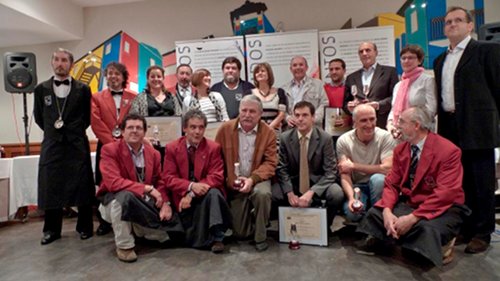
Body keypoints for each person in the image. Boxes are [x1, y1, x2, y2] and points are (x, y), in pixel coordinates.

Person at [356, 107, 470, 266]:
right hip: (412, 202)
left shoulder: (448, 151)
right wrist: (388, 211)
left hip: (443, 206)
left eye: (402, 121)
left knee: (427, 229)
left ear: (416, 125)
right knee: (376, 213)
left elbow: (445, 194)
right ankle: (410, 241)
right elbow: (391, 184)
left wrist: (412, 218)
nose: (397, 125)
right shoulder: (401, 149)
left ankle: (431, 244)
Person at [433, 6, 500, 254]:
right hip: (450, 127)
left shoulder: (487, 51)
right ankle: (467, 227)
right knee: (460, 183)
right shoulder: (440, 60)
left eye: (458, 20)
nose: (452, 24)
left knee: (482, 182)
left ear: (470, 25)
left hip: (478, 126)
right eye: (448, 21)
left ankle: (483, 233)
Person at [97, 114, 183, 263]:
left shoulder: (154, 154)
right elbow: (113, 182)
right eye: (130, 127)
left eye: (139, 128)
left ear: (144, 132)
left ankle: (137, 228)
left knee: (170, 235)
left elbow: (161, 181)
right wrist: (147, 189)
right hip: (112, 201)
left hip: (142, 201)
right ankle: (125, 246)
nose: (134, 131)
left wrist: (165, 204)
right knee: (123, 198)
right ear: (122, 132)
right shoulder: (109, 150)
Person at [33, 48, 95, 245]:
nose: (60, 64)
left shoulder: (83, 89)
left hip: (77, 144)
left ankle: (85, 226)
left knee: (82, 185)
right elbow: (39, 117)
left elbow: (87, 117)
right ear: (52, 63)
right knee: (51, 185)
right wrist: (56, 132)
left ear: (71, 64)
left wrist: (71, 132)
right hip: (52, 145)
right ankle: (51, 230)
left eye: (64, 60)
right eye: (57, 60)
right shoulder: (40, 89)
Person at [163, 109, 232, 253]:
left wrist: (192, 194)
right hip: (181, 196)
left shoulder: (213, 148)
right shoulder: (171, 148)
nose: (197, 132)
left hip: (204, 195)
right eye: (193, 127)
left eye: (201, 127)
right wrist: (190, 187)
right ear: (184, 129)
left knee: (214, 193)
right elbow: (169, 178)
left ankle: (217, 238)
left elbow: (217, 176)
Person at [215, 95, 277, 251]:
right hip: (234, 183)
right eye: (244, 110)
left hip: (258, 179)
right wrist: (229, 179)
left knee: (262, 194)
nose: (247, 115)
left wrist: (252, 180)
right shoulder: (225, 130)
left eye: (252, 111)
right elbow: (216, 159)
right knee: (241, 234)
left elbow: (270, 163)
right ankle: (253, 218)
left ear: (260, 114)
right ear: (239, 111)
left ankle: (261, 236)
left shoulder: (269, 133)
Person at [274, 101, 344, 231]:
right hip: (294, 182)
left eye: (305, 115)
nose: (300, 119)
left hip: (317, 182)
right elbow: (281, 168)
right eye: (297, 115)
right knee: (273, 193)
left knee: (336, 193)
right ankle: (286, 227)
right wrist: (289, 193)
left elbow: (330, 172)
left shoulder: (325, 138)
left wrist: (311, 192)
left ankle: (323, 227)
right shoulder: (284, 138)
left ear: (313, 117)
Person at [91, 62, 137, 236]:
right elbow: (96, 123)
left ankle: (128, 218)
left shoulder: (133, 97)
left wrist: (125, 141)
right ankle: (104, 222)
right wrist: (112, 143)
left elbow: (136, 119)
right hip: (106, 146)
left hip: (129, 145)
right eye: (110, 73)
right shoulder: (96, 97)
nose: (113, 76)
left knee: (126, 180)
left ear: (123, 77)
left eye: (117, 74)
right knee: (104, 183)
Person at [336, 104, 397, 222]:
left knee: (378, 179)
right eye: (363, 120)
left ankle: (376, 218)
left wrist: (354, 166)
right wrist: (351, 198)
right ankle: (370, 216)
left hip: (380, 186)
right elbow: (345, 174)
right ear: (355, 122)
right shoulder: (343, 140)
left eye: (372, 119)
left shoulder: (385, 137)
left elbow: (387, 169)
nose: (369, 124)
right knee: (352, 214)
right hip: (357, 187)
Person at [129, 65, 181, 163]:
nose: (156, 79)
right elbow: (133, 119)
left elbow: (179, 117)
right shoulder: (140, 98)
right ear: (148, 79)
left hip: (171, 143)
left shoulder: (172, 97)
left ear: (163, 78)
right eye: (152, 76)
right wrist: (142, 138)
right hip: (148, 143)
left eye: (158, 76)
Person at [343, 42, 399, 129]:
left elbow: (396, 97)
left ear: (376, 53)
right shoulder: (351, 77)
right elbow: (345, 103)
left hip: (382, 123)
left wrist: (378, 105)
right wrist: (349, 108)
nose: (364, 53)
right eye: (361, 52)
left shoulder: (390, 72)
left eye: (368, 50)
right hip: (359, 126)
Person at [387, 45, 436, 138]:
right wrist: (390, 124)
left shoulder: (427, 80)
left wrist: (412, 125)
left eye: (411, 58)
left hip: (420, 132)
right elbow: (393, 109)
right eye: (403, 58)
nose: (406, 61)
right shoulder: (398, 85)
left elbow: (431, 110)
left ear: (420, 60)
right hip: (399, 133)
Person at [282, 56, 328, 128]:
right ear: (291, 69)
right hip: (291, 129)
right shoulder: (284, 89)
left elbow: (324, 103)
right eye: (294, 65)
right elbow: (282, 109)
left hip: (313, 128)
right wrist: (287, 118)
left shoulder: (319, 85)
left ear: (306, 68)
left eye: (301, 65)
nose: (298, 67)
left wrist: (312, 118)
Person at [250, 62, 288, 134]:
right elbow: (249, 114)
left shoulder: (280, 92)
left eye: (263, 71)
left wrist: (269, 128)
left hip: (274, 132)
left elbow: (281, 114)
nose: (260, 73)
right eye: (257, 72)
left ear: (269, 74)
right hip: (255, 132)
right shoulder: (249, 93)